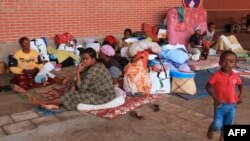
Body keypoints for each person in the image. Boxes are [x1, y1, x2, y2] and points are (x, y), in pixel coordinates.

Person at [31, 48, 116, 110]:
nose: (84, 61)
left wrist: (78, 72)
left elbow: (81, 89)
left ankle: (43, 102)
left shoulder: (93, 71)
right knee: (72, 82)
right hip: (96, 90)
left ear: (93, 59)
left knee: (74, 94)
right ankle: (59, 102)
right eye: (83, 59)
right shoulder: (97, 64)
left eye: (87, 59)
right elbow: (83, 80)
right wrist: (76, 80)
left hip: (103, 96)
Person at [206, 50, 244, 141]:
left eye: (231, 62)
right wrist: (215, 98)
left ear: (235, 64)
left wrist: (241, 94)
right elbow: (208, 86)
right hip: (220, 105)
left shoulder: (235, 76)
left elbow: (240, 84)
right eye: (224, 61)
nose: (227, 64)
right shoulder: (216, 75)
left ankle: (222, 136)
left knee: (228, 124)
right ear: (220, 62)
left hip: (232, 105)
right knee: (217, 124)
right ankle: (211, 128)